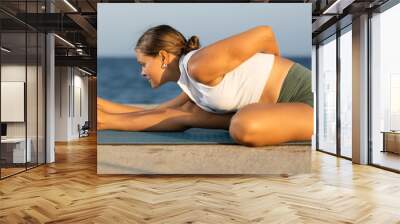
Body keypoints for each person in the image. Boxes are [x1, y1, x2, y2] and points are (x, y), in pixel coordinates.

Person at [97, 24, 314, 147]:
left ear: (163, 57)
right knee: (185, 113)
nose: (142, 72)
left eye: (143, 64)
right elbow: (162, 112)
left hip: (308, 101)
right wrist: (105, 117)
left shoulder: (199, 66)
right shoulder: (189, 81)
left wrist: (272, 68)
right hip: (279, 110)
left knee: (244, 127)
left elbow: (265, 34)